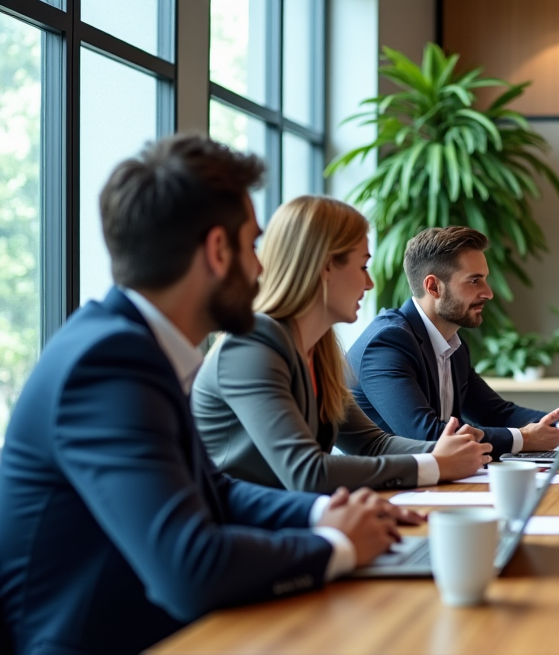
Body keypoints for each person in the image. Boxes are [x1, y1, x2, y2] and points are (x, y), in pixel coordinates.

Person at [0, 135, 425, 655]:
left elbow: (216, 492)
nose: (261, 268)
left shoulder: (137, 347)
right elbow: (188, 566)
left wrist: (322, 516)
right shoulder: (107, 363)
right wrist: (338, 546)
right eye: (253, 245)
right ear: (217, 250)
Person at [192, 197, 493, 494]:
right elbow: (307, 472)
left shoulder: (320, 349)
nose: (370, 283)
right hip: (239, 532)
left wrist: (451, 451)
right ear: (325, 267)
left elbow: (373, 444)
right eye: (363, 266)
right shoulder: (251, 345)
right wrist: (435, 464)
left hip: (293, 522)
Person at [346, 226, 559, 458]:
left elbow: (498, 413)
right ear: (433, 287)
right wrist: (525, 439)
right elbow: (424, 435)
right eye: (474, 281)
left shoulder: (452, 344)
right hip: (382, 494)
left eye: (484, 279)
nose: (488, 292)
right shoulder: (388, 342)